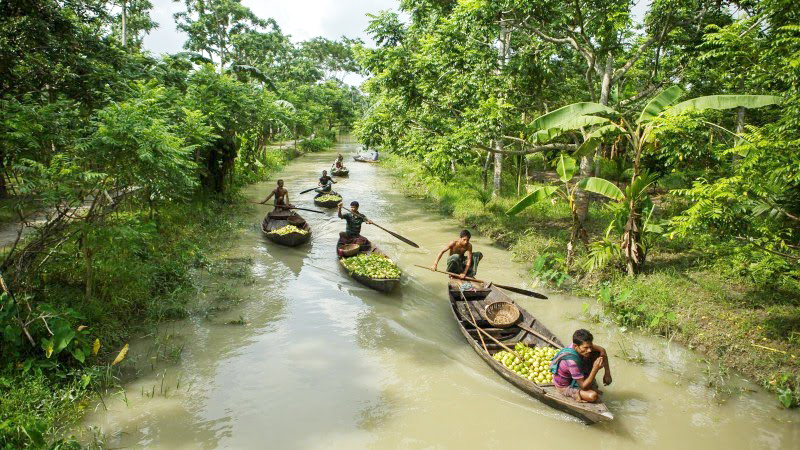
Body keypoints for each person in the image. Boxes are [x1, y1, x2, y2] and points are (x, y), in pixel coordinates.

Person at [550, 329, 612, 403]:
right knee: (593, 396)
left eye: (590, 346)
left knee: (597, 353)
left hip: (573, 376)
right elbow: (583, 386)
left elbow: (602, 350)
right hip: (564, 386)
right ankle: (578, 389)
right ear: (576, 346)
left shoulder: (579, 344)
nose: (589, 350)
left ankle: (587, 380)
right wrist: (595, 369)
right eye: (586, 348)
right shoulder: (572, 362)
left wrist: (607, 373)